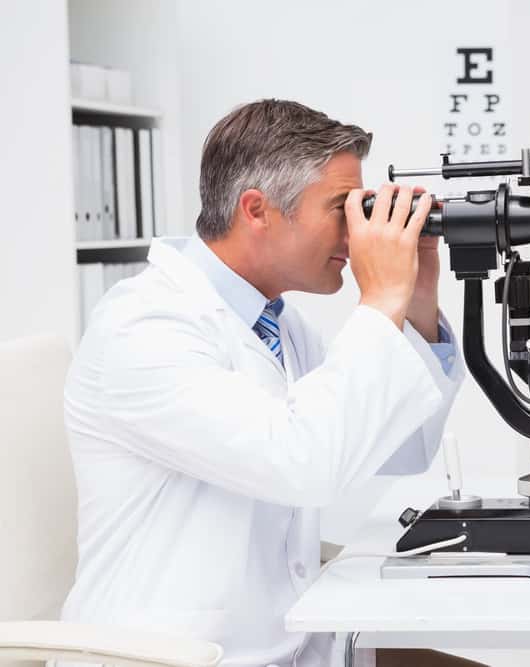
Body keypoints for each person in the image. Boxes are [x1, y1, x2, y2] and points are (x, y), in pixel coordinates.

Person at [62, 99, 482, 667]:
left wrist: (417, 301)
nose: (358, 231)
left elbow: (402, 448)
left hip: (290, 645)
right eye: (342, 207)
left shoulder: (274, 324)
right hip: (176, 658)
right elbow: (302, 463)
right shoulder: (144, 329)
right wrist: (380, 297)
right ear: (256, 210)